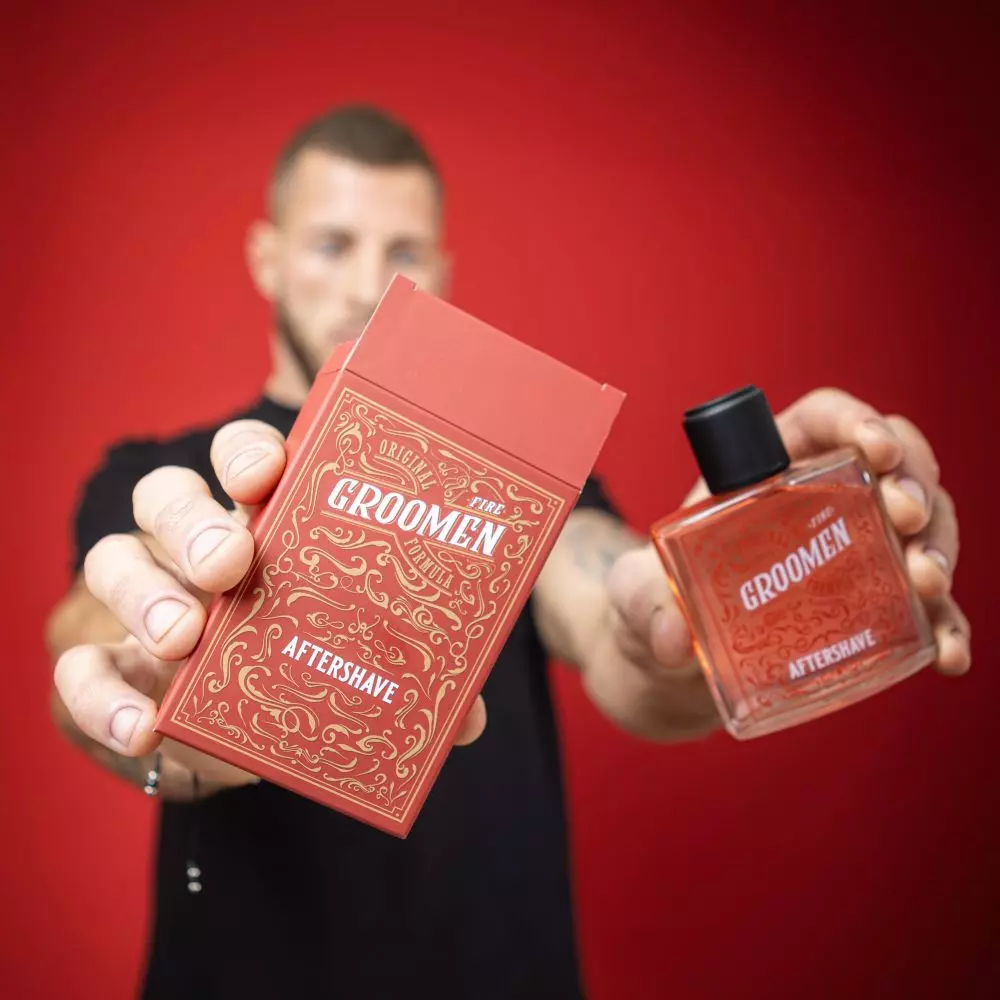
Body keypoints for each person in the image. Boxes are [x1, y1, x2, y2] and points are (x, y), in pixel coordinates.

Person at [44, 104, 971, 999]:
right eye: (332, 244)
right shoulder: (163, 471)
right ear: (267, 257)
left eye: (403, 253)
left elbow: (617, 618)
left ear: (441, 274)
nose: (368, 286)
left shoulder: (513, 478)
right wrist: (156, 678)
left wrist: (701, 597)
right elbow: (90, 632)